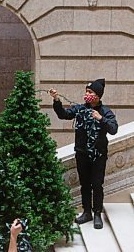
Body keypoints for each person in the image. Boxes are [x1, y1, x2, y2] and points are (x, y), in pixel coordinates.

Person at [49, 78, 118, 229]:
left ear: (98, 95)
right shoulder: (80, 109)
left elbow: (113, 129)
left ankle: (97, 213)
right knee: (85, 184)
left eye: (90, 92)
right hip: (82, 154)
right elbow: (64, 115)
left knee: (97, 184)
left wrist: (101, 119)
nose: (87, 94)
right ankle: (87, 212)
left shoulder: (105, 112)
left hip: (98, 155)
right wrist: (56, 99)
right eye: (86, 91)